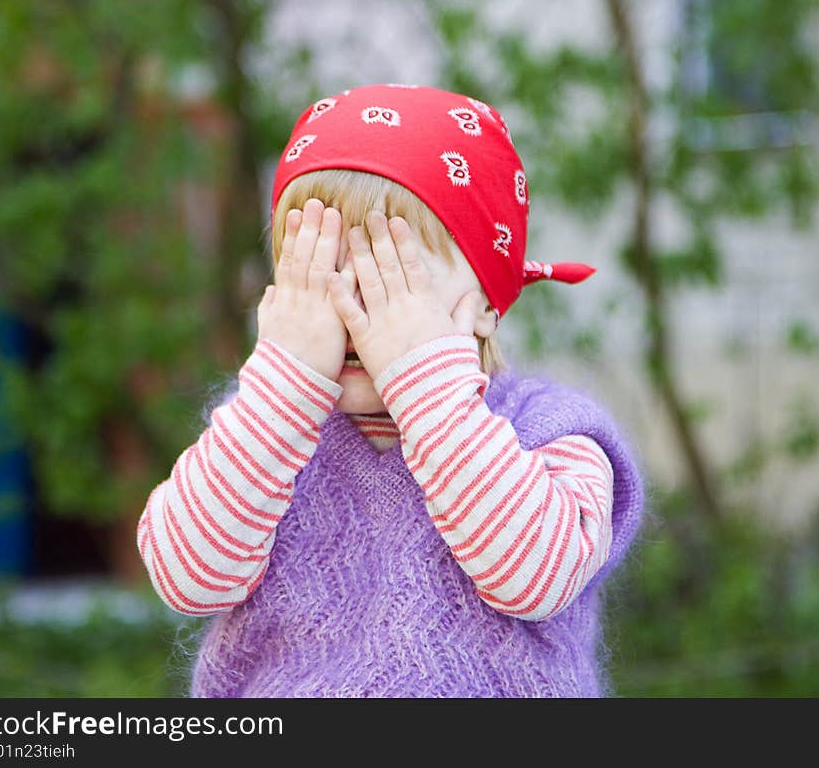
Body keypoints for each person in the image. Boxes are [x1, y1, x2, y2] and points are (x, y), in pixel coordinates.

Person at [136, 83, 645, 697]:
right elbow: (187, 576)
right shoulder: (263, 432)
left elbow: (534, 575)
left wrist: (426, 383)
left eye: (389, 277)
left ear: (485, 301)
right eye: (319, 271)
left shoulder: (553, 432)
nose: (351, 305)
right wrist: (280, 390)